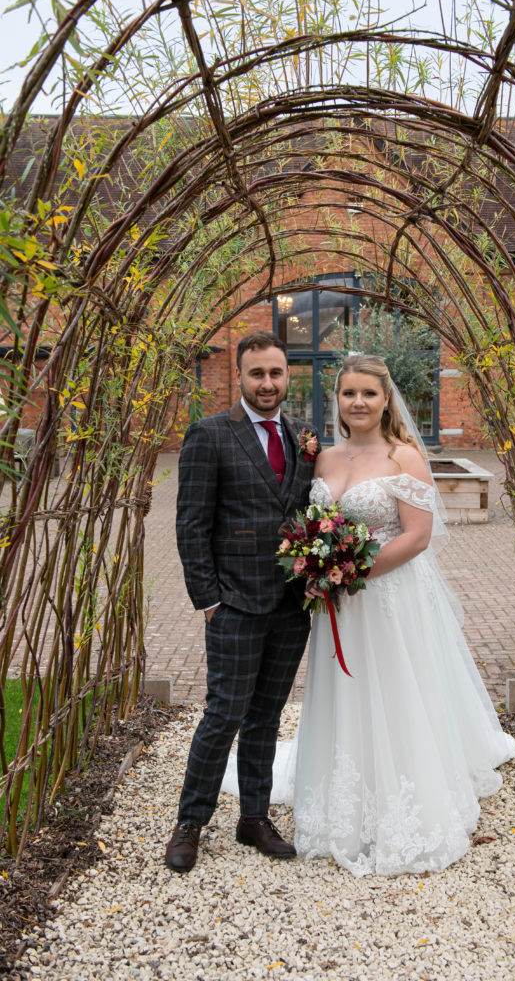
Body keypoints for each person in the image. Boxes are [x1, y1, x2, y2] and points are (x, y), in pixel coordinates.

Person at [228, 353, 515, 877]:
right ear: (335, 400)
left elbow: (417, 536)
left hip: (388, 598)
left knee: (396, 690)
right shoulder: (323, 458)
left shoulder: (404, 456)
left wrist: (347, 573)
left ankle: (406, 797)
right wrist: (320, 568)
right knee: (347, 691)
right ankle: (347, 794)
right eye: (348, 393)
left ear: (386, 400)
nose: (357, 402)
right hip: (339, 605)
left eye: (368, 393)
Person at [165, 330, 319, 873]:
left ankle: (253, 817)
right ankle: (190, 822)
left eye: (276, 373)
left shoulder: (305, 435)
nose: (268, 383)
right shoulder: (209, 435)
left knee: (267, 715)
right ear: (241, 376)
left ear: (287, 374)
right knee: (223, 713)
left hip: (291, 605)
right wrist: (209, 600)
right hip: (233, 601)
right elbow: (191, 525)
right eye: (257, 374)